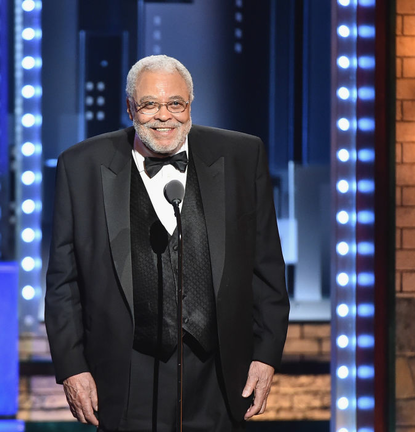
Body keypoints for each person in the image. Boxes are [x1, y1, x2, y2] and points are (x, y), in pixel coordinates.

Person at [45, 54, 289, 432]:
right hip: (126, 378)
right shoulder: (81, 166)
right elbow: (63, 284)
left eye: (175, 104)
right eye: (149, 105)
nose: (164, 116)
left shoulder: (242, 156)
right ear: (130, 108)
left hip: (218, 375)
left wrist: (267, 355)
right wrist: (72, 367)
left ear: (190, 105)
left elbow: (267, 268)